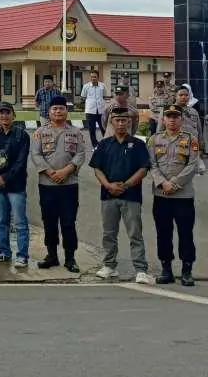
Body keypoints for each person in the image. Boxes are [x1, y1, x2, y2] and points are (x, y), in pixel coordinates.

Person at [88, 106, 155, 284]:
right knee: (109, 233)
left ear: (130, 122)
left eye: (124, 120)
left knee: (135, 233)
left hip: (131, 195)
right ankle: (109, 266)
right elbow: (97, 168)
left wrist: (125, 185)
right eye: (117, 120)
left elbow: (143, 169)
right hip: (108, 195)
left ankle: (140, 270)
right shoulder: (104, 144)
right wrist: (109, 185)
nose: (121, 123)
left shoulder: (138, 144)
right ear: (111, 122)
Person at [30, 96, 86, 273]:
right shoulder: (40, 132)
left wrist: (66, 171)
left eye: (61, 108)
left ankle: (70, 258)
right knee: (49, 222)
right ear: (49, 112)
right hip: (47, 184)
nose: (58, 112)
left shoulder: (76, 132)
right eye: (54, 109)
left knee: (68, 222)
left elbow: (80, 154)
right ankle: (51, 255)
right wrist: (49, 172)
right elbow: (36, 154)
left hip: (69, 184)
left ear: (66, 111)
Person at [147, 104, 199, 286]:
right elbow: (152, 164)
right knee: (163, 233)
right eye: (169, 116)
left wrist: (175, 183)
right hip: (161, 196)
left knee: (185, 234)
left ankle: (186, 270)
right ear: (163, 119)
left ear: (181, 120)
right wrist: (163, 183)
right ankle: (166, 269)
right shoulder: (154, 140)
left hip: (183, 196)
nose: (172, 119)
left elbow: (192, 165)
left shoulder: (191, 139)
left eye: (175, 116)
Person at [0, 102, 30, 267]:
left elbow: (21, 162)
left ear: (14, 115)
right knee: (0, 221)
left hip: (16, 186)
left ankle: (22, 255)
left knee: (20, 222)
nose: (4, 116)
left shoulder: (22, 135)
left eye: (7, 113)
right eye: (1, 113)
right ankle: (3, 252)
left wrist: (5, 177)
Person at [79, 71, 106, 146]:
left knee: (103, 128)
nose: (93, 78)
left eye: (95, 77)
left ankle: (107, 144)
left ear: (98, 77)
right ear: (90, 78)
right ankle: (95, 145)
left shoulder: (102, 86)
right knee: (92, 130)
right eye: (92, 77)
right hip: (90, 111)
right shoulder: (86, 86)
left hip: (100, 111)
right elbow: (83, 97)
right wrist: (90, 103)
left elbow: (104, 96)